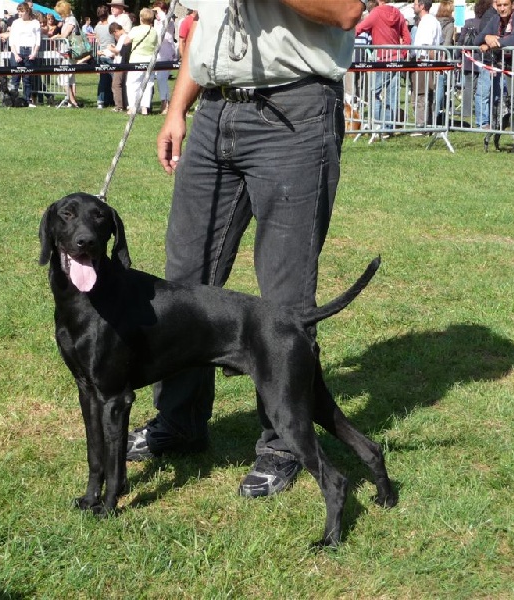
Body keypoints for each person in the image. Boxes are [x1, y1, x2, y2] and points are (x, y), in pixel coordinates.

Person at [127, 0, 364, 500]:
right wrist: (177, 108)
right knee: (184, 281)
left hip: (293, 111)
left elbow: (346, 12)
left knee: (285, 294)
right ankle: (180, 420)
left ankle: (282, 444)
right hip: (215, 111)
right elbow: (201, 29)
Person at [355, 0, 411, 131]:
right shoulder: (398, 13)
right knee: (392, 95)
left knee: (374, 92)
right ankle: (388, 127)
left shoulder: (375, 13)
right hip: (397, 59)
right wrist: (401, 54)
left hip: (382, 59)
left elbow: (358, 29)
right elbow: (407, 38)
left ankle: (376, 125)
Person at [473, 0, 514, 130]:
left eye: (505, 5)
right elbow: (477, 40)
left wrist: (495, 41)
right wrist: (487, 37)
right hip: (510, 68)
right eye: (499, 5)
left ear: (512, 5)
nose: (502, 8)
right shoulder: (495, 19)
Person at [411, 0, 442, 131]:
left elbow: (427, 47)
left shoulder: (427, 22)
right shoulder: (433, 21)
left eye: (415, 3)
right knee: (425, 95)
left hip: (423, 61)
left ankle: (421, 125)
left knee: (421, 95)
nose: (413, 6)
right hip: (426, 61)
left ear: (422, 6)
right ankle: (427, 124)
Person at [125, 7, 158, 115]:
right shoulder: (154, 31)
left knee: (132, 83)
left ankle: (132, 107)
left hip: (136, 58)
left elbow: (126, 42)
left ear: (141, 18)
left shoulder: (136, 29)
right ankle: (144, 108)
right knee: (148, 83)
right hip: (150, 60)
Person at [8, 2, 41, 107]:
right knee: (15, 77)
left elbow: (38, 40)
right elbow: (11, 39)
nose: (19, 13)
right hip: (17, 51)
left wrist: (34, 53)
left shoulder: (35, 23)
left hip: (29, 52)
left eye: (21, 11)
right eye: (18, 11)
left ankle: (27, 100)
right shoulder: (15, 23)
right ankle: (13, 100)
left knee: (27, 78)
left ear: (27, 11)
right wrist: (16, 54)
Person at [53, 0, 82, 108]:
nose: (59, 15)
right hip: (67, 52)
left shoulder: (71, 20)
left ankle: (72, 101)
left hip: (69, 52)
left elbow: (65, 35)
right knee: (70, 77)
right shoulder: (68, 20)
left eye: (60, 13)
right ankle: (72, 101)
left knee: (63, 78)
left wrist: (57, 36)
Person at [107, 1, 132, 114]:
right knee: (121, 83)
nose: (112, 8)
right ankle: (124, 104)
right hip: (121, 57)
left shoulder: (125, 19)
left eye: (114, 6)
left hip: (122, 59)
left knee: (116, 83)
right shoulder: (111, 18)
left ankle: (119, 105)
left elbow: (120, 48)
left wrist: (111, 49)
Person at [152, 1, 176, 115]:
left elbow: (165, 24)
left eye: (157, 11)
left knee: (162, 78)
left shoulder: (169, 20)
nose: (156, 14)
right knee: (159, 79)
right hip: (158, 53)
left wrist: (161, 13)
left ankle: (165, 104)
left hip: (166, 53)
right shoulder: (156, 21)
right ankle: (165, 102)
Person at [94, 5, 115, 109]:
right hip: (110, 53)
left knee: (103, 79)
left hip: (101, 53)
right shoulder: (111, 26)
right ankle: (116, 99)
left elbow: (98, 40)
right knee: (114, 78)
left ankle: (100, 100)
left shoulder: (97, 27)